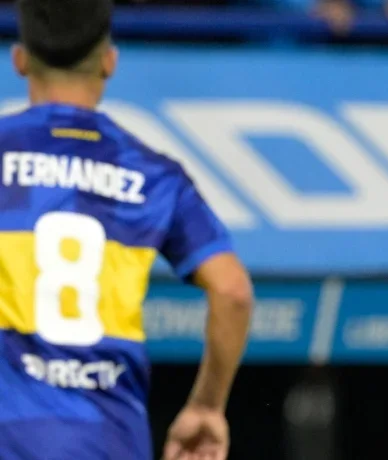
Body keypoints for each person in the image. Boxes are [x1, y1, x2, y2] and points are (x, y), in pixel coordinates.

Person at [0, 1, 253, 459]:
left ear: (19, 59)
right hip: (110, 438)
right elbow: (233, 291)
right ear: (109, 62)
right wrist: (206, 406)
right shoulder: (155, 174)